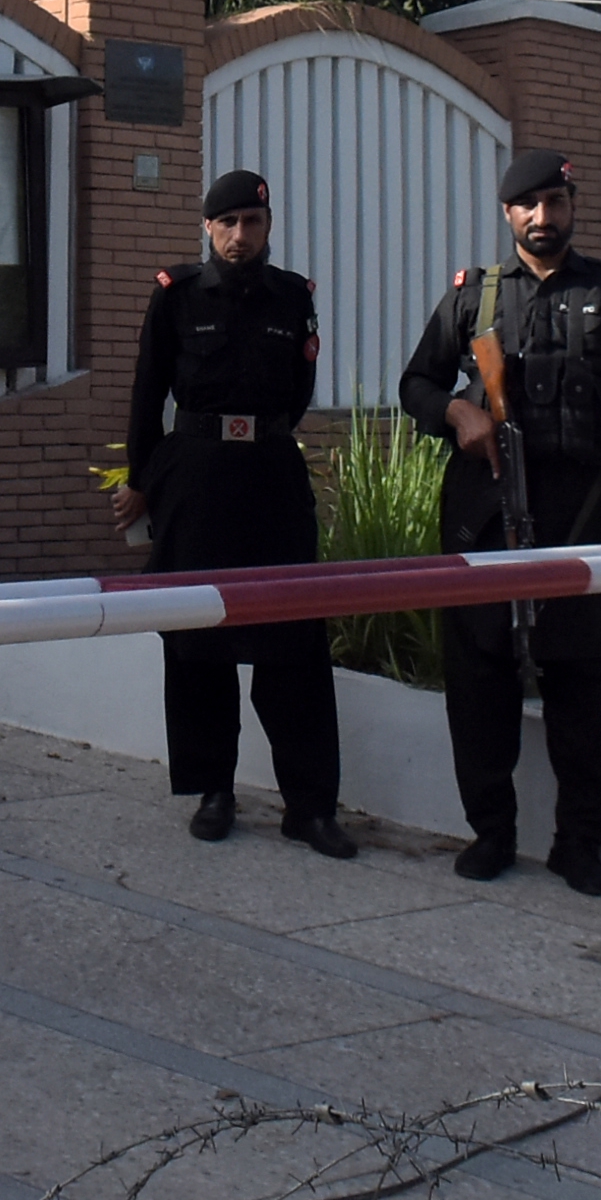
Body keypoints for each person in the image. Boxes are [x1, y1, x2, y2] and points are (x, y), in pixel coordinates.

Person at [395, 148, 601, 895]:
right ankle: (492, 834)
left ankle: (580, 844)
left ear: (572, 207)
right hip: (486, 509)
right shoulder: (473, 300)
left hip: (583, 511)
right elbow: (415, 382)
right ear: (508, 214)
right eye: (529, 206)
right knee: (479, 680)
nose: (545, 218)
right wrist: (458, 412)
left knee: (581, 683)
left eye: (556, 203)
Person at [120, 170, 357, 856]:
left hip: (271, 478)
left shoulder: (293, 298)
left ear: (268, 226)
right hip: (197, 478)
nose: (239, 235)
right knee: (197, 639)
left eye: (251, 223)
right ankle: (213, 789)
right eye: (226, 223)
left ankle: (310, 805)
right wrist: (143, 480)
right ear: (207, 228)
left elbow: (299, 392)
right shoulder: (177, 297)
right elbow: (147, 393)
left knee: (295, 638)